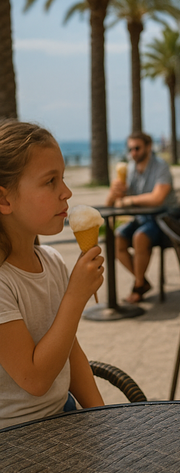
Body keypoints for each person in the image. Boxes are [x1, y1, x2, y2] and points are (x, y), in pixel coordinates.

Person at [0, 119, 105, 429]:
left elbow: (69, 353)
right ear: (4, 199)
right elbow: (35, 379)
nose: (67, 192)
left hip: (63, 416)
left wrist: (105, 418)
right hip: (17, 438)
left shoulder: (52, 261)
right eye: (50, 181)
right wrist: (75, 296)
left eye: (63, 178)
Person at [105, 131, 177, 303]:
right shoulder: (129, 169)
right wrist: (113, 192)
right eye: (130, 149)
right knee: (118, 240)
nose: (133, 153)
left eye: (137, 148)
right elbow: (111, 204)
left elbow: (157, 198)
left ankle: (138, 287)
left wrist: (129, 201)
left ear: (149, 147)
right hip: (142, 218)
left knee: (140, 237)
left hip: (164, 219)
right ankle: (142, 281)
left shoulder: (161, 166)